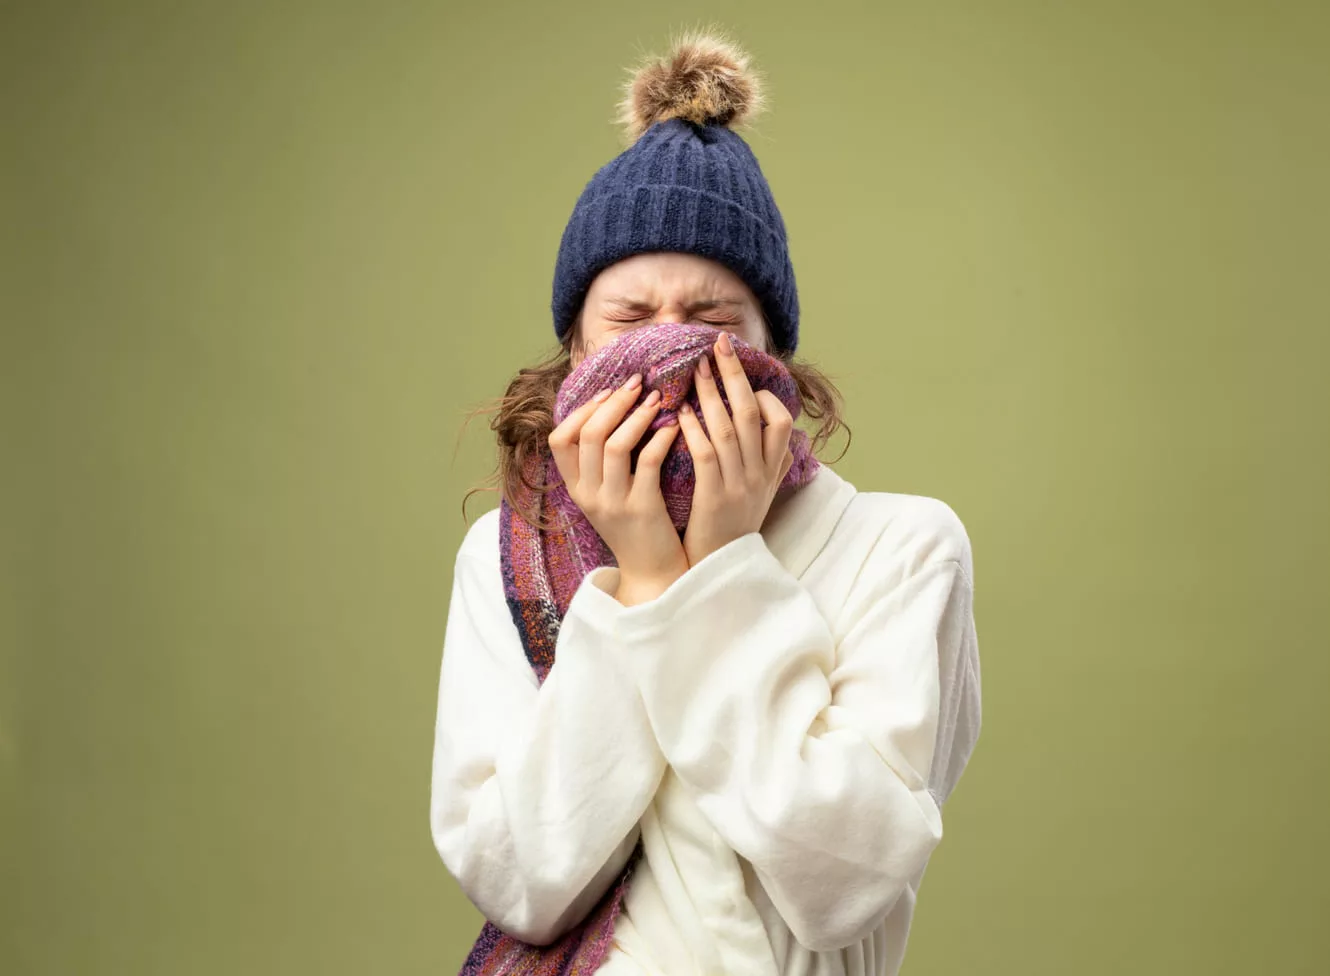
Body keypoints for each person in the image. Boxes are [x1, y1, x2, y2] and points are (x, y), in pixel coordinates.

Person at [430, 31, 982, 976]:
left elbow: (843, 887)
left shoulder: (902, 546)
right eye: (631, 321)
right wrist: (641, 581)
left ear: (775, 351)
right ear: (574, 349)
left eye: (716, 321)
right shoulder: (504, 554)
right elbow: (520, 881)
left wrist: (717, 576)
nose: (672, 347)